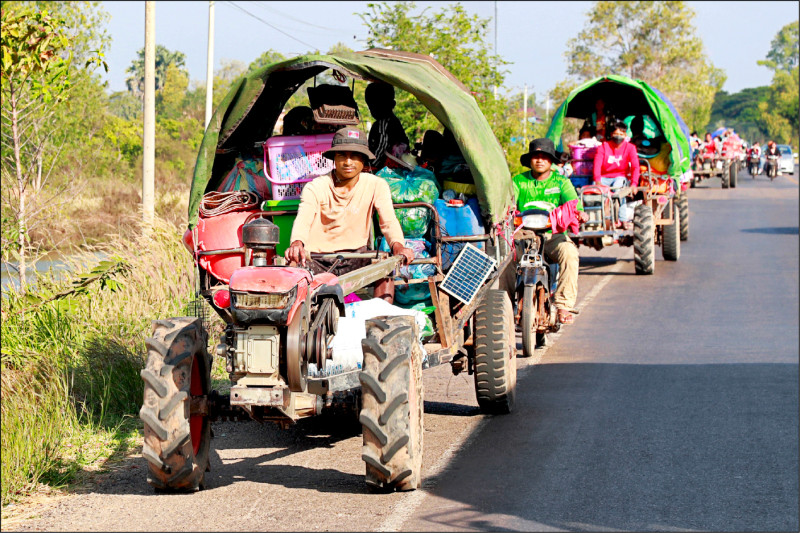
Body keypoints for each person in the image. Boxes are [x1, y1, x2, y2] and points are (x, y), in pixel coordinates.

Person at [285, 126, 415, 303]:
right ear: (334, 159)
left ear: (363, 159)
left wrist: (398, 246)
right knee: (292, 271)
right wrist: (297, 243)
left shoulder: (376, 185)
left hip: (357, 257)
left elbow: (389, 222)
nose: (348, 162)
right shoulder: (316, 187)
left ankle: (379, 323)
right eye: (342, 155)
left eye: (354, 155)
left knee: (386, 266)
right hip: (317, 259)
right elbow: (303, 219)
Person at [513, 138, 589, 325]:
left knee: (570, 253)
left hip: (551, 234)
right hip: (523, 234)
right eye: (536, 157)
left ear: (551, 161)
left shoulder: (561, 182)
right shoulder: (518, 181)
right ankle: (506, 304)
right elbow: (508, 203)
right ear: (530, 160)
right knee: (503, 257)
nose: (540, 160)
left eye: (544, 157)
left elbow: (574, 203)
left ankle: (563, 305)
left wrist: (580, 213)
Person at [593, 119, 640, 225]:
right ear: (611, 134)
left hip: (620, 176)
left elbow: (635, 167)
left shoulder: (630, 148)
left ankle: (622, 220)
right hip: (604, 177)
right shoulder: (603, 147)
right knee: (596, 192)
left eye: (621, 134)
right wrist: (597, 180)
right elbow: (597, 164)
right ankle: (599, 220)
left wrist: (634, 184)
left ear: (625, 135)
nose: (618, 136)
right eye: (616, 133)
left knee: (619, 191)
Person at [365, 81, 409, 170]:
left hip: (385, 170)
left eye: (372, 107)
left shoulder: (384, 124)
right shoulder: (394, 121)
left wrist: (370, 165)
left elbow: (381, 148)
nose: (371, 111)